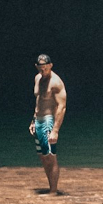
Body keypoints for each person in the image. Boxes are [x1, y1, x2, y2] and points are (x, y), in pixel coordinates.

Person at [29, 54, 67, 194]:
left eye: (45, 68)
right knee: (43, 156)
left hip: (49, 120)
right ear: (37, 67)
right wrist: (33, 120)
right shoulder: (38, 78)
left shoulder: (56, 82)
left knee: (51, 156)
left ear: (50, 65)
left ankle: (53, 191)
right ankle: (51, 187)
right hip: (39, 120)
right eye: (40, 68)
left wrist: (55, 130)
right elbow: (38, 102)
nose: (43, 70)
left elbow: (61, 107)